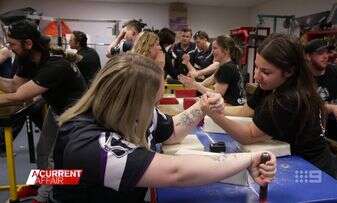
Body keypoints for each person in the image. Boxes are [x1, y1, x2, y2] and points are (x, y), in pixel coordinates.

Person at [52, 53, 276, 203]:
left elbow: (171, 132)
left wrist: (203, 105)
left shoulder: (134, 114)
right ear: (129, 102)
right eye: (152, 102)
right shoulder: (88, 143)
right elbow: (175, 172)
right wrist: (249, 159)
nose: (155, 108)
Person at [206, 33, 335, 176]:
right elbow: (246, 110)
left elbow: (248, 135)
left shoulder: (289, 99)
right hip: (290, 156)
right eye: (256, 67)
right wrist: (221, 107)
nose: (256, 76)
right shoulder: (269, 85)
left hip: (311, 168)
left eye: (266, 72)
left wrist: (215, 115)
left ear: (289, 71)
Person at [1, 20, 86, 202]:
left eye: (13, 44)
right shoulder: (28, 60)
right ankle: (43, 187)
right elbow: (13, 87)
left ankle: (44, 197)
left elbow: (18, 96)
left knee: (55, 157)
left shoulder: (55, 65)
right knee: (43, 151)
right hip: (58, 110)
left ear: (28, 44)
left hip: (76, 117)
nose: (10, 48)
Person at [179, 35, 246, 106]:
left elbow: (216, 94)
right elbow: (210, 80)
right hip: (235, 104)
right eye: (212, 49)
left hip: (233, 107)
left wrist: (195, 84)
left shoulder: (227, 67)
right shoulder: (226, 65)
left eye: (215, 48)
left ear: (226, 50)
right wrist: (192, 83)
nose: (212, 52)